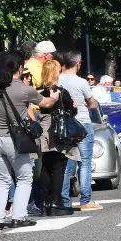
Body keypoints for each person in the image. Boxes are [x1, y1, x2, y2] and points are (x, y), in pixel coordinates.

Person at [0, 52, 60, 230]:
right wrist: (55, 96)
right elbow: (46, 104)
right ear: (20, 69)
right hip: (14, 140)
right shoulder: (25, 89)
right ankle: (18, 217)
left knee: (2, 180)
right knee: (24, 178)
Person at [59, 51, 102, 212]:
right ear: (78, 64)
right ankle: (85, 200)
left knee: (65, 164)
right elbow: (92, 103)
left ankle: (64, 201)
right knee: (84, 163)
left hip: (64, 124)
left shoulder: (57, 79)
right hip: (82, 122)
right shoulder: (82, 82)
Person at [38, 60, 78, 216]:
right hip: (59, 130)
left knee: (46, 165)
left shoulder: (39, 91)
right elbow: (71, 111)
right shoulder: (60, 91)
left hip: (44, 128)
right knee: (60, 166)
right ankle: (56, 201)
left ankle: (44, 201)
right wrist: (73, 107)